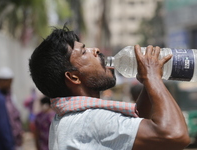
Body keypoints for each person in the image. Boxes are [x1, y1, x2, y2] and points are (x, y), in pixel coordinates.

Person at [29, 26, 190, 150]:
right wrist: (153, 78)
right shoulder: (90, 121)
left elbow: (136, 126)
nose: (96, 50)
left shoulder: (64, 120)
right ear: (73, 77)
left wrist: (149, 82)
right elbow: (175, 135)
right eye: (84, 52)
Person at [0, 67, 23, 150]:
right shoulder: (0, 99)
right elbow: (3, 125)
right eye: (9, 82)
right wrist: (9, 145)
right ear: (2, 81)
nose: (10, 85)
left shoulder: (8, 96)